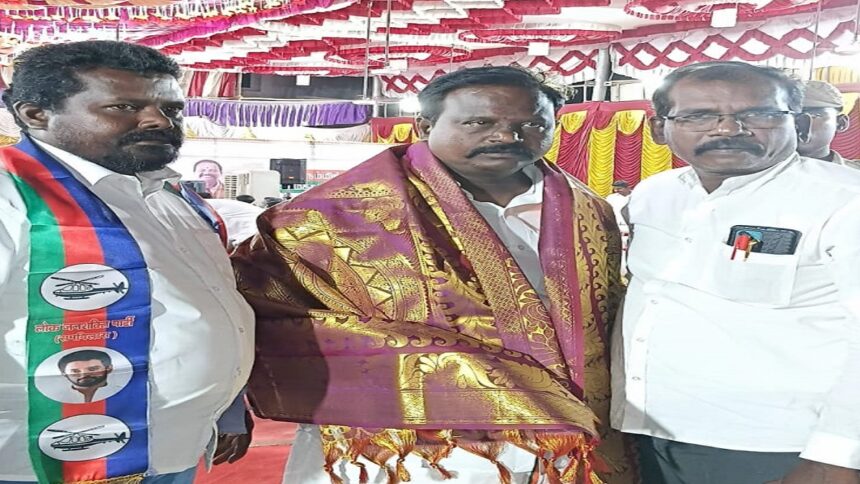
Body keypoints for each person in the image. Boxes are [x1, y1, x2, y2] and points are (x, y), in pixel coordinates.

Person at [233, 66, 635, 483]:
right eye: (479, 123)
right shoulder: (331, 214)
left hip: (568, 436)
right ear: (424, 126)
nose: (506, 136)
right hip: (410, 442)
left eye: (532, 124)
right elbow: (266, 309)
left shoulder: (587, 209)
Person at [0, 41, 255, 484]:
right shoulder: (10, 197)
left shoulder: (174, 197)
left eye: (170, 109)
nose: (159, 121)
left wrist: (226, 406)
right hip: (49, 460)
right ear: (36, 114)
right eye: (124, 106)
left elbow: (215, 303)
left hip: (175, 446)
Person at [612, 61, 860, 484]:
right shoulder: (654, 195)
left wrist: (836, 457)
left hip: (776, 446)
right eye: (698, 116)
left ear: (799, 125)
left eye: (759, 114)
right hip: (645, 429)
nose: (728, 129)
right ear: (659, 129)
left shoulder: (844, 202)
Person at [797, 80, 859, 168]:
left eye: (814, 116)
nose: (797, 123)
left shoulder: (854, 173)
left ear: (840, 123)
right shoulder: (776, 172)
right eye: (788, 115)